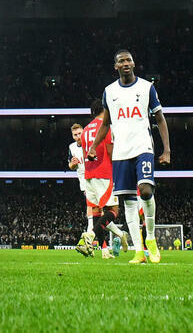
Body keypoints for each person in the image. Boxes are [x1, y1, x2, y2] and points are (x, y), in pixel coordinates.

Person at [88, 50, 171, 264]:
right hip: (121, 152)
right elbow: (106, 123)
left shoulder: (146, 88)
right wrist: (94, 146)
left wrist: (166, 150)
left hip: (143, 146)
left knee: (145, 190)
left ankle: (150, 239)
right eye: (121, 61)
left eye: (129, 60)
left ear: (134, 64)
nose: (126, 63)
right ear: (115, 66)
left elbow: (160, 119)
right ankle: (138, 251)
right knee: (129, 202)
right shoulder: (109, 91)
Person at [81, 99, 128, 259]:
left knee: (96, 213)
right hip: (104, 173)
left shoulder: (85, 129)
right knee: (113, 210)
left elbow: (83, 155)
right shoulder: (106, 126)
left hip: (89, 174)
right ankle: (91, 236)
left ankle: (104, 252)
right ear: (104, 109)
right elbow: (110, 150)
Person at [67, 123, 94, 255]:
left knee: (103, 210)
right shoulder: (71, 148)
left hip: (97, 178)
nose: (78, 136)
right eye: (75, 135)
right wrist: (72, 164)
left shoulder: (91, 143)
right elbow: (70, 165)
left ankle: (118, 234)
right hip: (85, 182)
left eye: (80, 133)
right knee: (92, 207)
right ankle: (89, 237)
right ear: (72, 136)